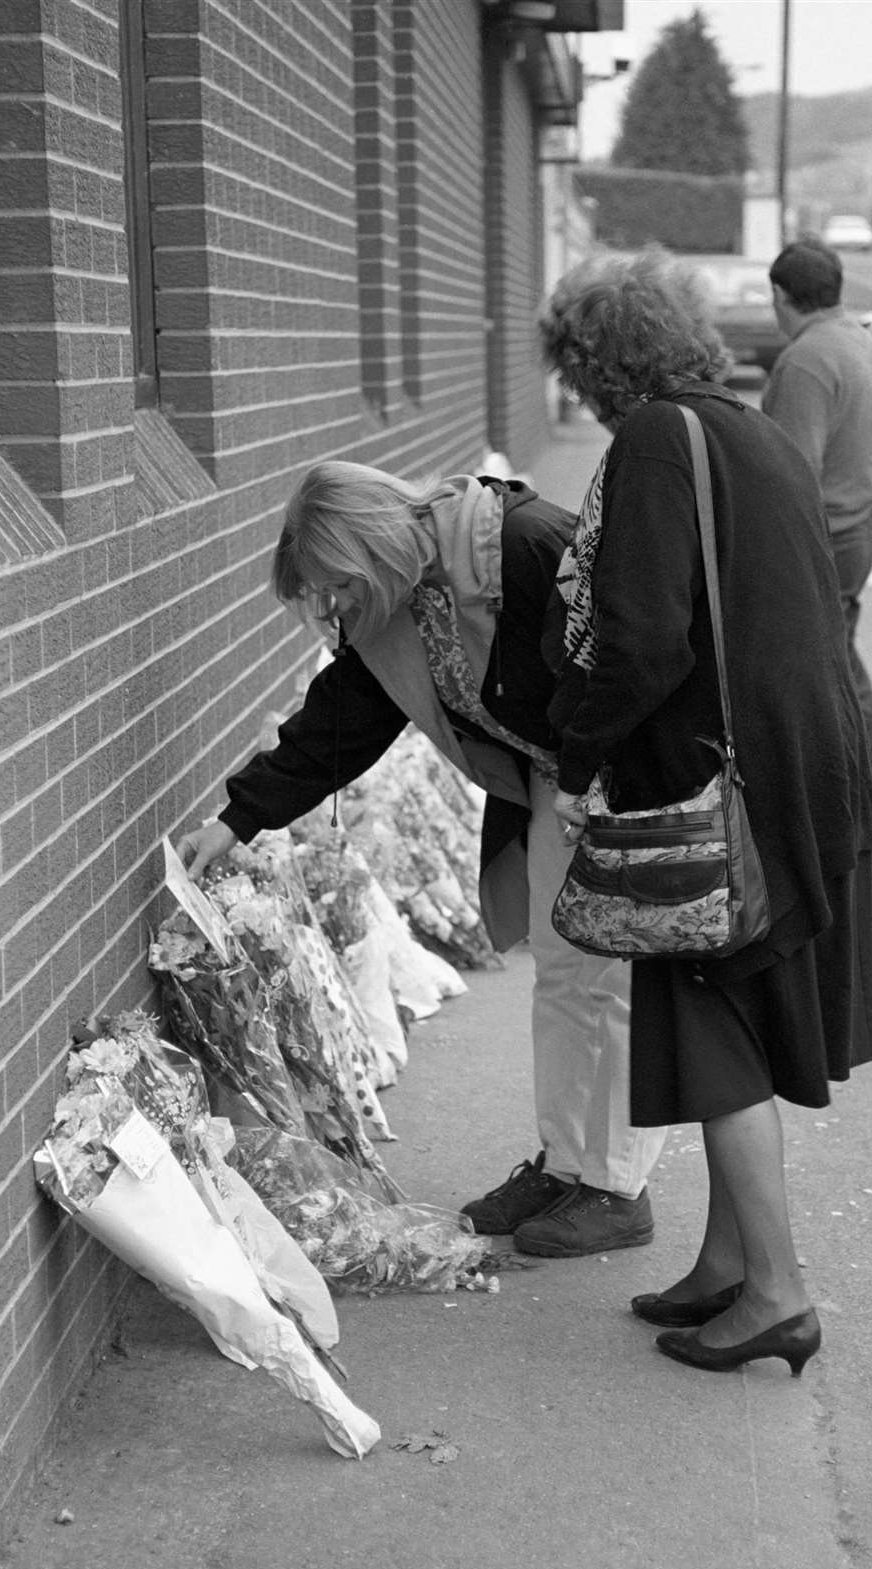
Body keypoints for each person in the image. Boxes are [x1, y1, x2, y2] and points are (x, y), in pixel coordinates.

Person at [175, 460, 667, 1257]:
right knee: (564, 971)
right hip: (556, 779)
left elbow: (631, 655)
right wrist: (236, 820)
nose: (333, 605)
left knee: (610, 978)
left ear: (371, 544)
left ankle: (617, 1188)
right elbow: (343, 723)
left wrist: (599, 782)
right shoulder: (398, 603)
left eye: (335, 583)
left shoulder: (525, 544)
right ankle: (570, 1165)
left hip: (615, 778)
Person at [538, 250, 872, 1376]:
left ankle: (776, 1293)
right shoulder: (749, 431)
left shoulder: (651, 442)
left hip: (710, 781)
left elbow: (641, 638)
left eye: (579, 370)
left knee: (712, 1022)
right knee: (739, 1008)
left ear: (600, 362)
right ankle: (727, 1267)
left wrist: (577, 756)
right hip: (797, 763)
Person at [763, 237, 872, 865]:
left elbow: (791, 475)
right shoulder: (862, 347)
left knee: (830, 682)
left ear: (779, 295)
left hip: (821, 542)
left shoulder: (805, 363)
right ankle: (869, 819)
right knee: (835, 676)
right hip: (857, 533)